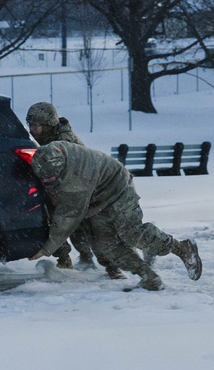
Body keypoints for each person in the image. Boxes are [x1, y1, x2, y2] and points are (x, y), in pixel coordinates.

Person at [28, 141, 203, 291]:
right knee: (106, 245)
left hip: (118, 189)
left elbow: (67, 217)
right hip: (96, 199)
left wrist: (47, 248)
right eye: (42, 178)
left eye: (50, 178)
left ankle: (182, 248)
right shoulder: (51, 154)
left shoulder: (76, 180)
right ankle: (149, 277)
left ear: (62, 168)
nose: (45, 182)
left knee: (132, 233)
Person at [26, 102, 122, 278]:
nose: (32, 129)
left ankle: (112, 267)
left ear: (48, 124)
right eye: (30, 124)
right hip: (63, 189)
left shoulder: (65, 142)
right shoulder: (44, 138)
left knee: (90, 229)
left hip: (83, 190)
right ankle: (74, 260)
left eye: (36, 125)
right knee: (63, 225)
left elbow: (75, 175)